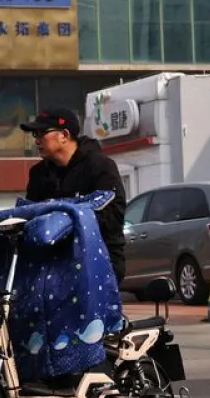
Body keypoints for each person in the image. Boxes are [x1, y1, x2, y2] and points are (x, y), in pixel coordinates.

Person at [19, 106, 129, 283]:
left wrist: (66, 220)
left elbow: (113, 217)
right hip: (53, 265)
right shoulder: (38, 174)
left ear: (64, 135)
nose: (37, 140)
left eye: (42, 133)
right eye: (34, 135)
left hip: (98, 259)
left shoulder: (100, 167)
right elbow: (31, 215)